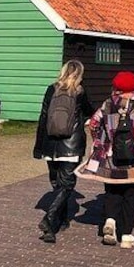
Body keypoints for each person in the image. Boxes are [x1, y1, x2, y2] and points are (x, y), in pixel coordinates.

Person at [76, 71, 134, 249]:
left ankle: (110, 221)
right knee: (132, 194)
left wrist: (99, 141)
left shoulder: (108, 104)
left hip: (112, 156)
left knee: (112, 191)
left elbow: (93, 123)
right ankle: (126, 235)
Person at [33, 59, 93, 244]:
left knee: (56, 183)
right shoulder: (80, 92)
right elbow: (90, 112)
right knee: (66, 185)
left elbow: (43, 117)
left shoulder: (51, 89)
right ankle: (49, 220)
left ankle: (60, 221)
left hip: (51, 144)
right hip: (71, 145)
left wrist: (39, 147)